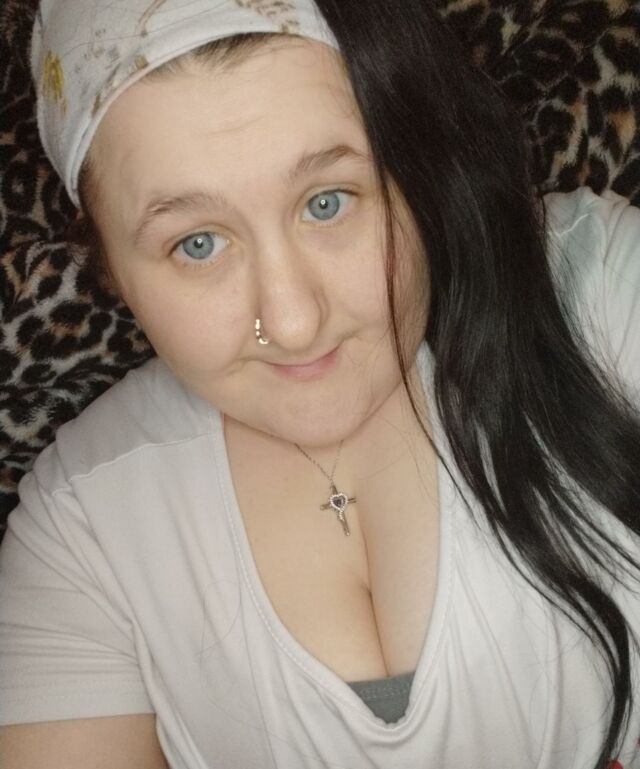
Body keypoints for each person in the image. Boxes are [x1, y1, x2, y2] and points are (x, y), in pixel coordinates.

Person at [1, 0, 639, 767]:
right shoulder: (81, 528)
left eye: (327, 202)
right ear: (108, 263)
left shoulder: (603, 294)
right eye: (197, 244)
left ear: (415, 164)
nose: (294, 321)